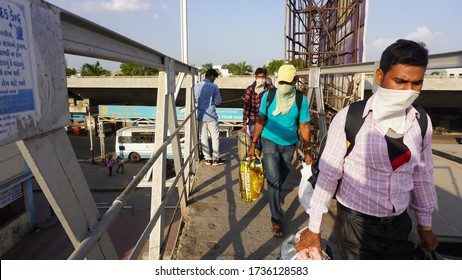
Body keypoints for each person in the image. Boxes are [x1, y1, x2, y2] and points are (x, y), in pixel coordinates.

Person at [295, 39, 439, 259]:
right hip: (357, 225)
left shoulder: (421, 122)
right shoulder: (350, 118)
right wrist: (314, 228)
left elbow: (422, 176)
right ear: (379, 77)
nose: (408, 91)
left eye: (416, 83)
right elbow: (329, 175)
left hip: (400, 223)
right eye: (400, 81)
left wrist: (425, 226)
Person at [247, 64, 313, 237]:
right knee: (273, 181)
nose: (284, 85)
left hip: (290, 144)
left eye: (287, 82)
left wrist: (307, 151)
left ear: (295, 81)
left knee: (282, 175)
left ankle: (277, 196)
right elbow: (261, 119)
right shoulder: (269, 96)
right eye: (281, 81)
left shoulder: (300, 100)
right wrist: (253, 144)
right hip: (269, 141)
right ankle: (277, 220)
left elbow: (304, 126)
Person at [194, 68, 225, 166]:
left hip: (200, 115)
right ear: (211, 76)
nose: (214, 79)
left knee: (203, 137)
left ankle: (207, 159)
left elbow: (194, 100)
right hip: (211, 115)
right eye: (214, 77)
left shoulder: (196, 86)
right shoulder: (214, 86)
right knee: (215, 137)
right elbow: (218, 101)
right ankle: (215, 159)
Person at [242, 67, 276, 151]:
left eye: (263, 77)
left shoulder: (271, 89)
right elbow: (246, 106)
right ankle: (257, 160)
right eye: (259, 77)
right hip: (253, 119)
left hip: (267, 120)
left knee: (266, 141)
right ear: (256, 77)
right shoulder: (250, 89)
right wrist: (244, 123)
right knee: (255, 141)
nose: (261, 79)